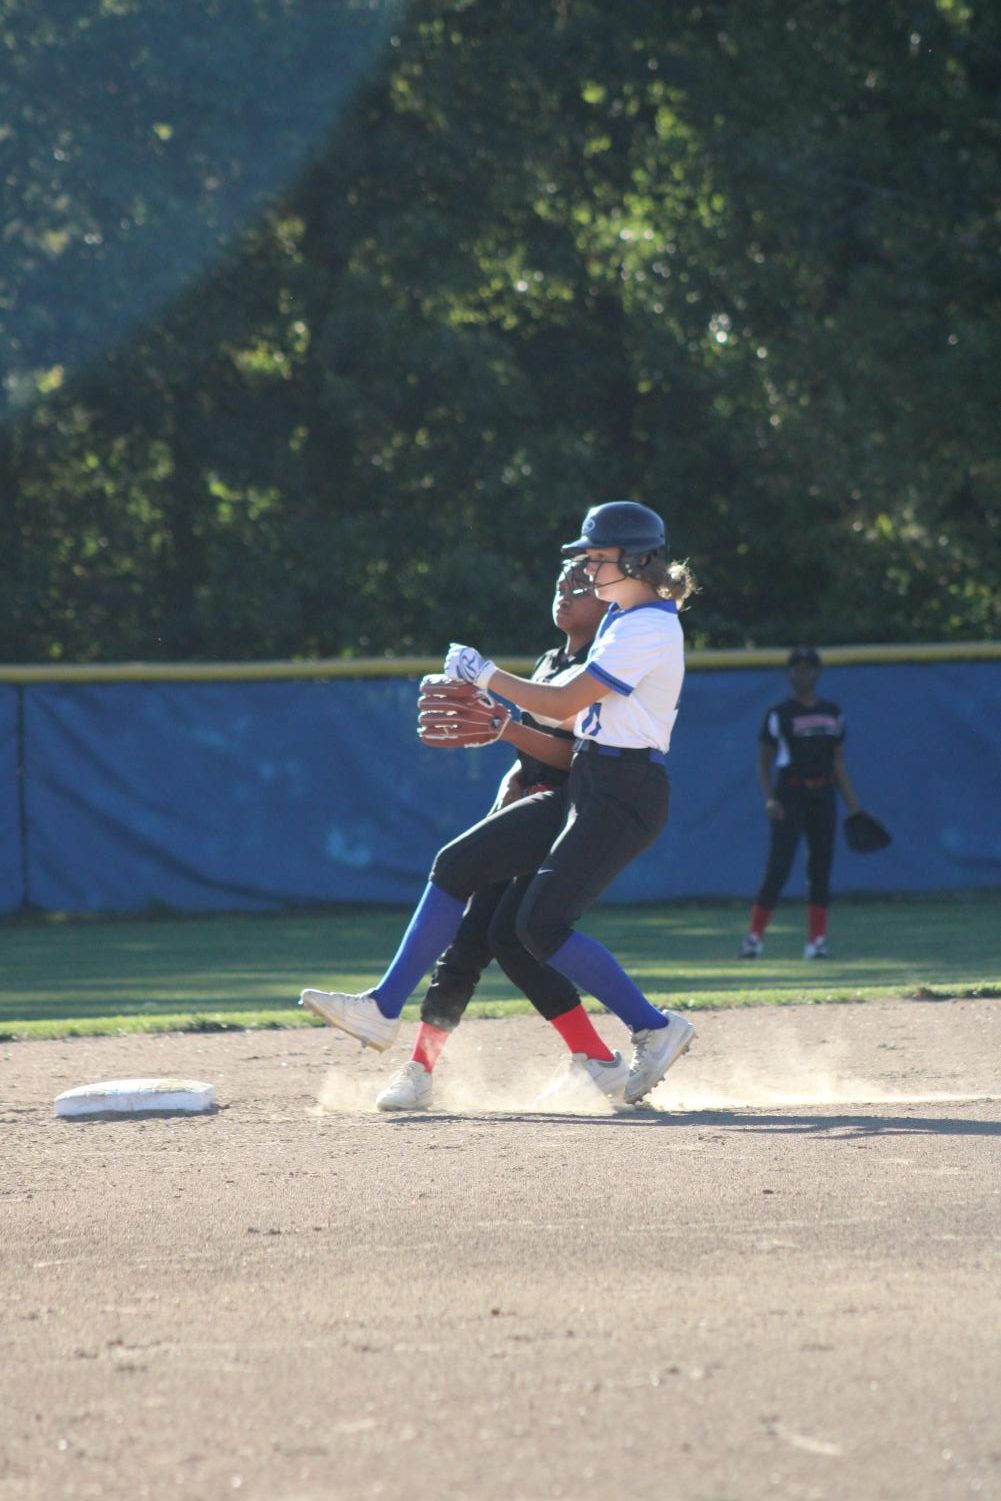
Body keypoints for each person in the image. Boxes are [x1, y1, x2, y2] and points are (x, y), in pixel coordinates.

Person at [300, 500, 698, 1109]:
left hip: (624, 791)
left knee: (534, 927)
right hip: (594, 783)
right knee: (480, 886)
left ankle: (652, 1026)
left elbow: (566, 705)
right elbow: (561, 708)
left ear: (639, 558)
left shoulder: (648, 625)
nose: (587, 571)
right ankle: (385, 1009)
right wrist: (501, 718)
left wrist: (484, 674)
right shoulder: (624, 621)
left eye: (598, 559)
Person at [374, 561, 608, 1111]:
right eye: (560, 583)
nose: (565, 592)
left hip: (563, 817)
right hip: (530, 809)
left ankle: (609, 1050)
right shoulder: (552, 663)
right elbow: (529, 754)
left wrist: (507, 728)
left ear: (609, 604)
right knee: (489, 939)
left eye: (582, 586)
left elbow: (579, 760)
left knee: (501, 934)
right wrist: (509, 783)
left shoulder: (601, 666)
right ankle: (425, 1068)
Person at [738, 645, 862, 961]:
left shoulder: (832, 712)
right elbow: (763, 762)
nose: (802, 673)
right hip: (789, 795)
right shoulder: (779, 714)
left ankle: (816, 942)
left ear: (817, 673)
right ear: (789, 674)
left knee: (820, 868)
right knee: (778, 868)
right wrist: (769, 798)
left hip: (823, 796)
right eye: (797, 668)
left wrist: (853, 806)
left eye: (808, 668)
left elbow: (838, 763)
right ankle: (753, 939)